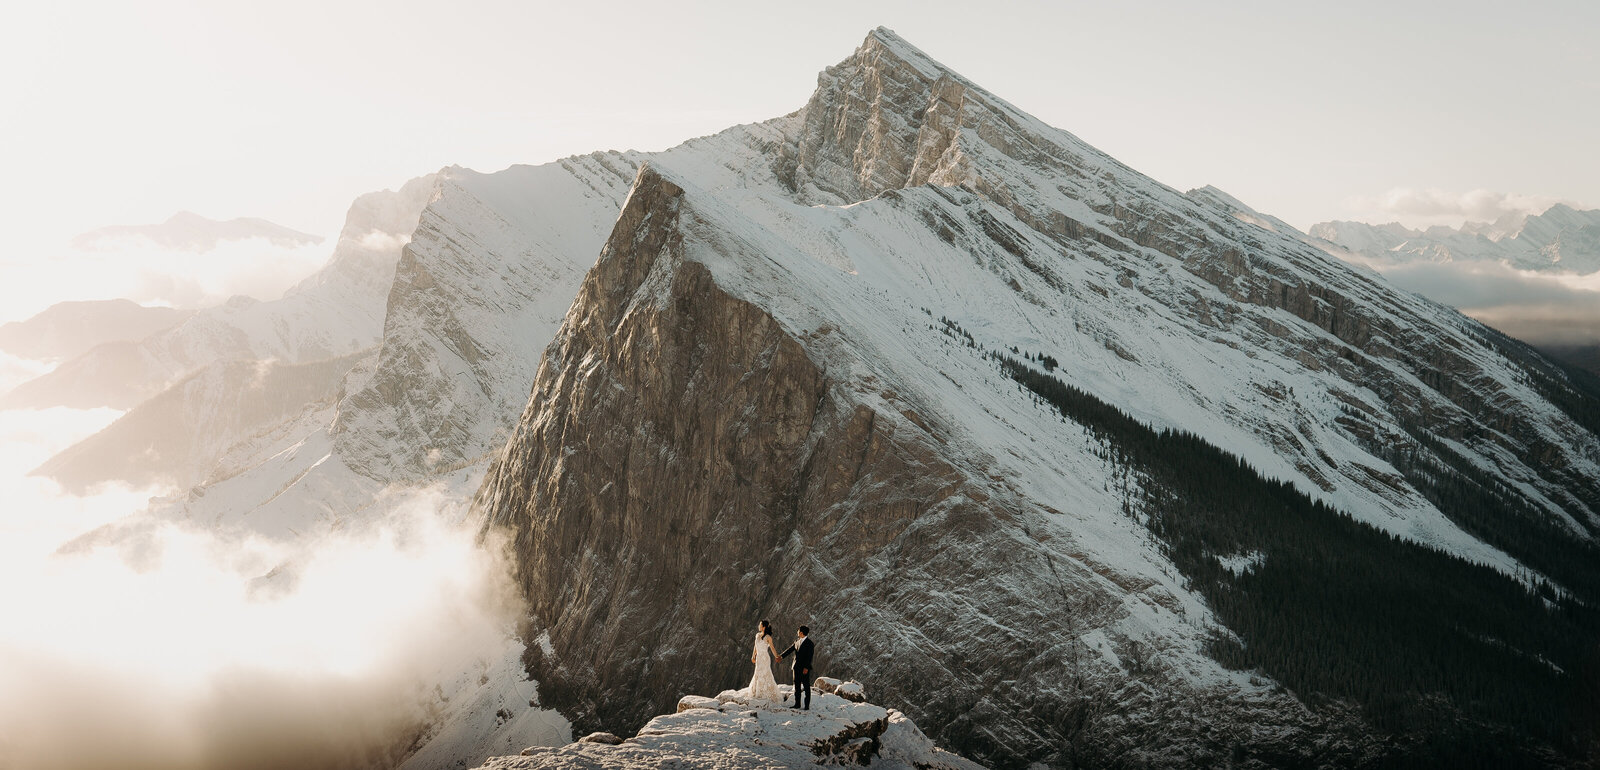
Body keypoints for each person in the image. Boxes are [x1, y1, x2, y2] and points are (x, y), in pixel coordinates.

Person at [779, 625, 815, 710]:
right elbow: (790, 650)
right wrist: (781, 657)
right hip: (796, 667)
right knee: (797, 686)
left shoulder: (810, 643)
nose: (797, 632)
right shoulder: (797, 641)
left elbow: (809, 657)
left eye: (798, 631)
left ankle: (806, 706)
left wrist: (806, 668)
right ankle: (797, 704)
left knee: (806, 687)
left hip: (804, 669)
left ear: (801, 632)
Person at [747, 619, 782, 703]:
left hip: (765, 658)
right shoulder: (757, 635)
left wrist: (777, 656)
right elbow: (755, 647)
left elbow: (772, 648)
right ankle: (757, 692)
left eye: (760, 625)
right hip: (759, 657)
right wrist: (753, 656)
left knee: (766, 673)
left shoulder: (768, 637)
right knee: (758, 673)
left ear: (764, 627)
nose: (759, 626)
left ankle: (766, 693)